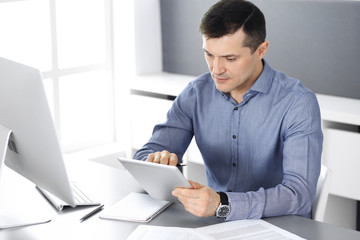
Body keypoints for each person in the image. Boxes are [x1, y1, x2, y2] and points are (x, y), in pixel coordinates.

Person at [133, 0, 323, 221]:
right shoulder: (196, 93)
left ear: (261, 50)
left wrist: (223, 203)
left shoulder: (297, 103)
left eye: (230, 58)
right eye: (209, 54)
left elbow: (299, 195)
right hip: (215, 224)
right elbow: (145, 155)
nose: (216, 69)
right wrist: (155, 161)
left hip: (279, 226)